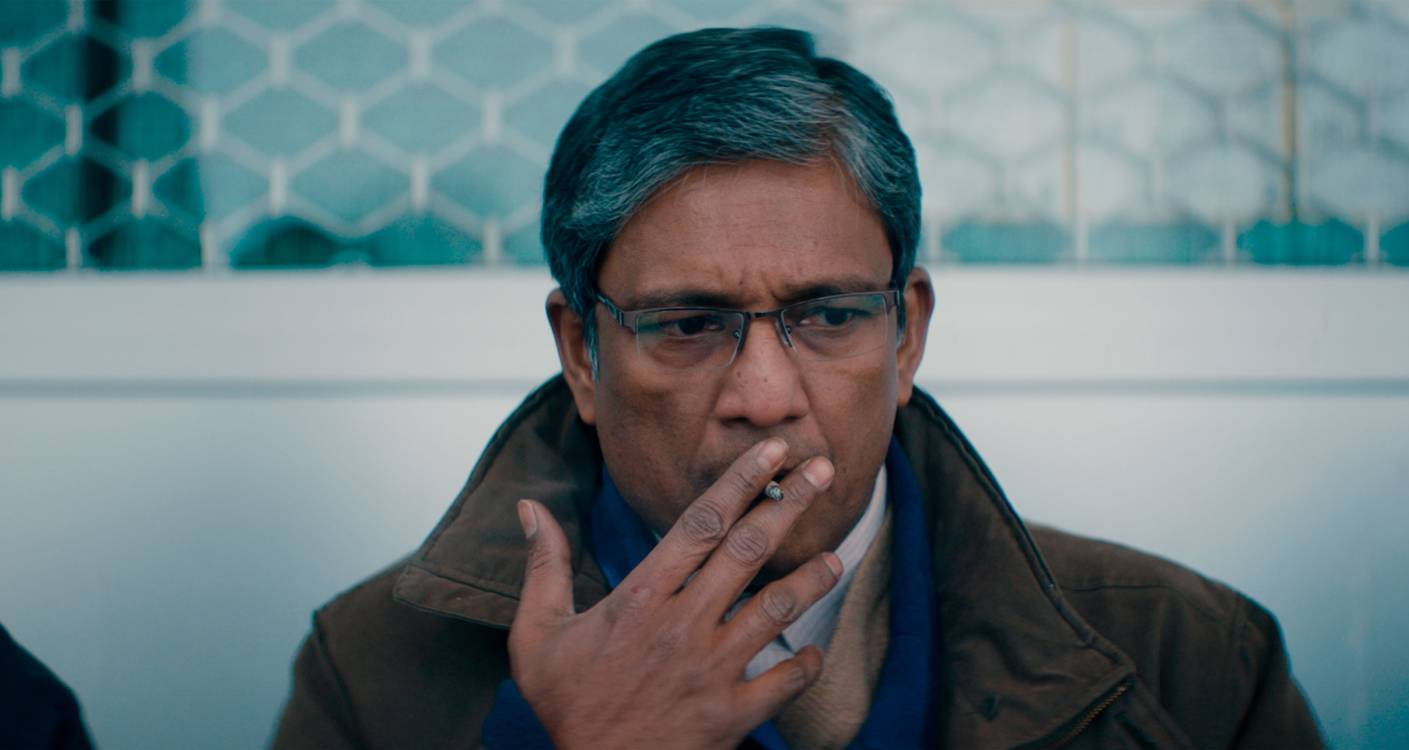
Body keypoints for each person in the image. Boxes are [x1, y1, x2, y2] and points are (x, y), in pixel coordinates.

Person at [271, 27, 1324, 749]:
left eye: (829, 316)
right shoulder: (373, 670)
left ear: (907, 335)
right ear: (582, 354)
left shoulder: (1189, 658)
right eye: (689, 325)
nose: (765, 395)